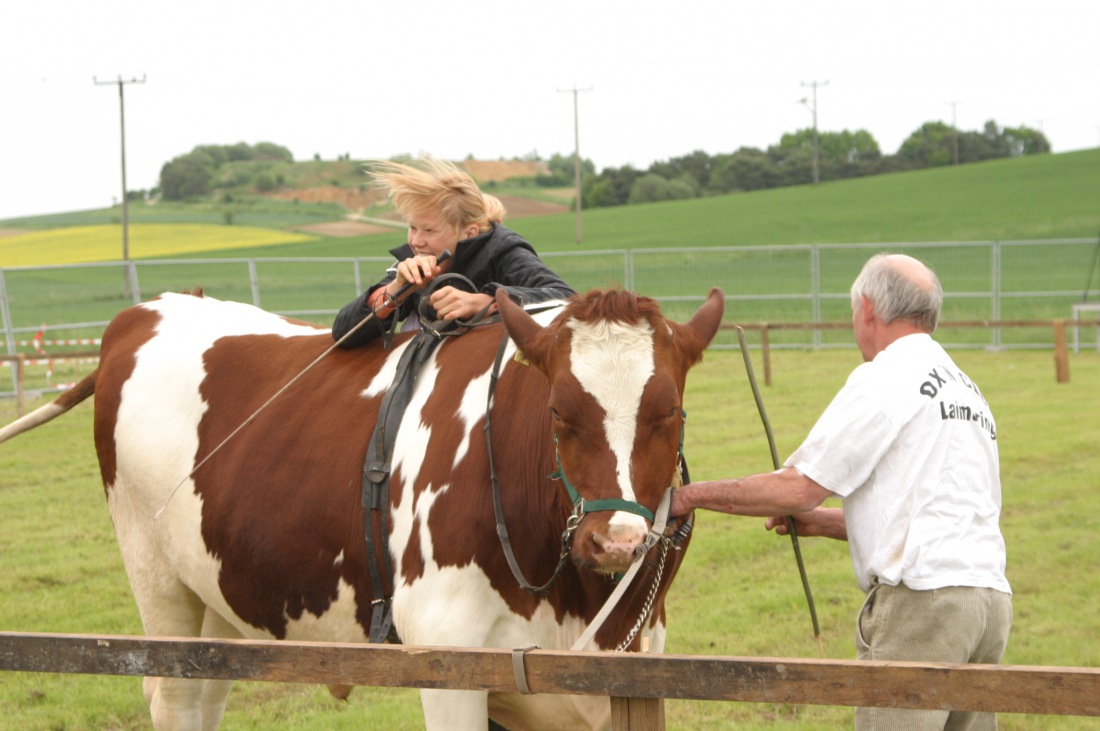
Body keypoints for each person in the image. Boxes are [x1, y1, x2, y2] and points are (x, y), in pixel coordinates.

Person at [672, 253, 1012, 731]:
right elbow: (927, 513)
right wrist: (824, 524)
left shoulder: (887, 377)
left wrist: (688, 496)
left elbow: (798, 488)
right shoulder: (965, 388)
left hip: (924, 606)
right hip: (988, 603)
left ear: (867, 309)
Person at [332, 156, 575, 347]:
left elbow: (567, 298)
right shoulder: (413, 262)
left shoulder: (502, 248)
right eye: (412, 227)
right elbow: (343, 334)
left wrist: (487, 302)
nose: (416, 241)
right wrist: (395, 291)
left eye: (429, 230)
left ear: (469, 233)